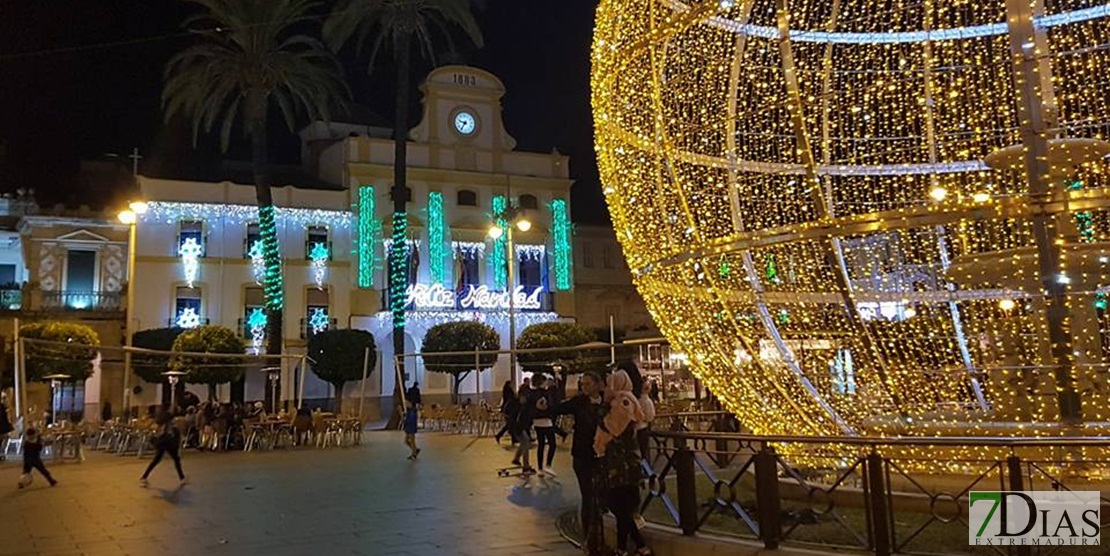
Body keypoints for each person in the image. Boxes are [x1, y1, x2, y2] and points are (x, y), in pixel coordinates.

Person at [595, 370, 650, 555]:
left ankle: (639, 545)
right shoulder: (626, 399)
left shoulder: (622, 401)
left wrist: (603, 405)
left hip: (621, 463)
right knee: (622, 507)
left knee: (618, 505)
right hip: (624, 462)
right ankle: (625, 548)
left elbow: (612, 426)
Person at [553, 371, 606, 554]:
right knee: (588, 496)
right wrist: (541, 403)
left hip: (602, 456)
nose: (584, 387)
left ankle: (600, 537)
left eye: (588, 384)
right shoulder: (579, 402)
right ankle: (589, 541)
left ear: (599, 384)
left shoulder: (608, 402)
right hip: (583, 455)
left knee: (602, 497)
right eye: (582, 384)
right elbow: (558, 408)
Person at [140, 410, 186, 487]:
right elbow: (175, 438)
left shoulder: (162, 425)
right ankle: (182, 477)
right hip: (168, 444)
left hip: (163, 444)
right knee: (176, 460)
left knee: (156, 460)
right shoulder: (170, 426)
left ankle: (144, 477)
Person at [531, 375, 558, 477]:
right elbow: (549, 405)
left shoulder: (532, 393)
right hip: (546, 420)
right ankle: (548, 464)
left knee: (541, 444)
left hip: (536, 421)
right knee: (552, 443)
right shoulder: (546, 393)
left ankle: (540, 468)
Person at [510, 388, 535, 474]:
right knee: (526, 445)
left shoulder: (524, 405)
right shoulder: (518, 406)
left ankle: (516, 459)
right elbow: (517, 420)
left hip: (520, 428)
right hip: (519, 428)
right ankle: (526, 467)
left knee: (524, 443)